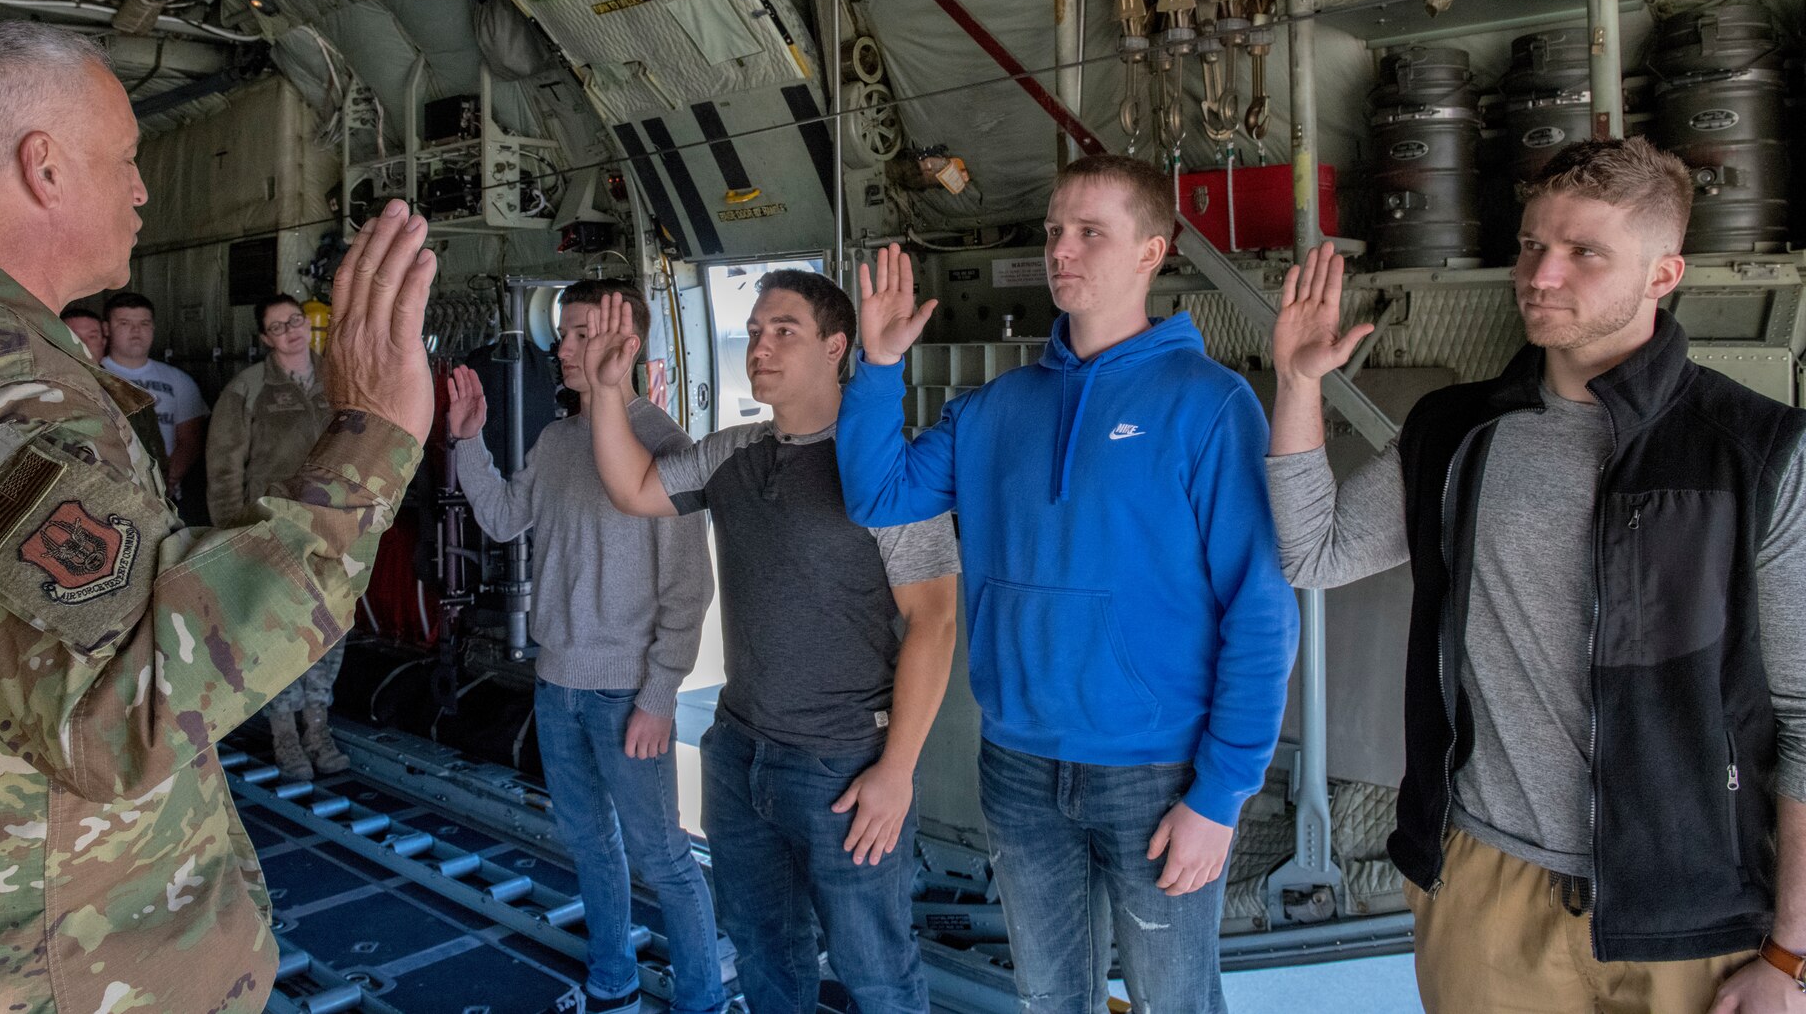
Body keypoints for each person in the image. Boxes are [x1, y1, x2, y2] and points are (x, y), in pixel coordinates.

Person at [0, 19, 437, 1013]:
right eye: (128, 159)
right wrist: (372, 438)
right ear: (44, 167)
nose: (143, 189)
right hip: (29, 970)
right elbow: (124, 707)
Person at [1266, 138, 1806, 1014]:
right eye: (1529, 245)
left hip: (1691, 914)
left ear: (1664, 273)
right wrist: (1296, 384)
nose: (1540, 273)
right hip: (1487, 891)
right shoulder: (1454, 429)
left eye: (1583, 252)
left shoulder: (1756, 451)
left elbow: (1804, 719)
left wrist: (1789, 953)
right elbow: (1315, 553)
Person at [835, 154, 1299, 1014]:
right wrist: (877, 366)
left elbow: (1261, 610)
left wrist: (1222, 795)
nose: (1062, 249)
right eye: (1054, 231)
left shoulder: (1209, 403)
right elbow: (878, 492)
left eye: (1091, 232)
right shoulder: (995, 407)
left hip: (1156, 771)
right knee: (1050, 997)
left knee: (1175, 1000)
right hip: (1017, 765)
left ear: (1151, 251)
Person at [585, 271, 960, 1014]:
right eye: (754, 331)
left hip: (844, 766)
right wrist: (605, 389)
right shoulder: (733, 454)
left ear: (836, 347)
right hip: (739, 754)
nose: (760, 345)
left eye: (782, 329)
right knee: (764, 954)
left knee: (875, 970)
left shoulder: (889, 469)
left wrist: (897, 772)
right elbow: (633, 488)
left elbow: (936, 621)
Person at [445, 277, 724, 1014]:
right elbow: (505, 519)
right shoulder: (558, 439)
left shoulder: (666, 446)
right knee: (591, 846)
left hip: (625, 691)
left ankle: (702, 1000)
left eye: (577, 334)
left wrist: (659, 696)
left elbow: (688, 593)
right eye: (561, 334)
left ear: (621, 340)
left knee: (663, 857)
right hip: (556, 682)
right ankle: (613, 983)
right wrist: (468, 440)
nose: (560, 348)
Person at [209, 292, 343, 780]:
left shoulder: (340, 378)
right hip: (270, 530)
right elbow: (223, 468)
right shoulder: (247, 389)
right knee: (279, 633)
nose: (289, 330)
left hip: (332, 528)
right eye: (277, 326)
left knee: (330, 629)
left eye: (294, 321)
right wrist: (231, 532)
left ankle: (318, 727)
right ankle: (284, 734)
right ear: (265, 338)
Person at [101, 289, 209, 500]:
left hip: (167, 497)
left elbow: (190, 439)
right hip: (113, 491)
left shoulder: (178, 380)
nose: (136, 331)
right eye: (124, 323)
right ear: (106, 328)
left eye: (144, 323)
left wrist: (163, 481)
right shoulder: (95, 375)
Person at [60, 298, 106, 363]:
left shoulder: (117, 373)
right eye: (74, 336)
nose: (83, 344)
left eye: (92, 337)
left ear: (103, 343)